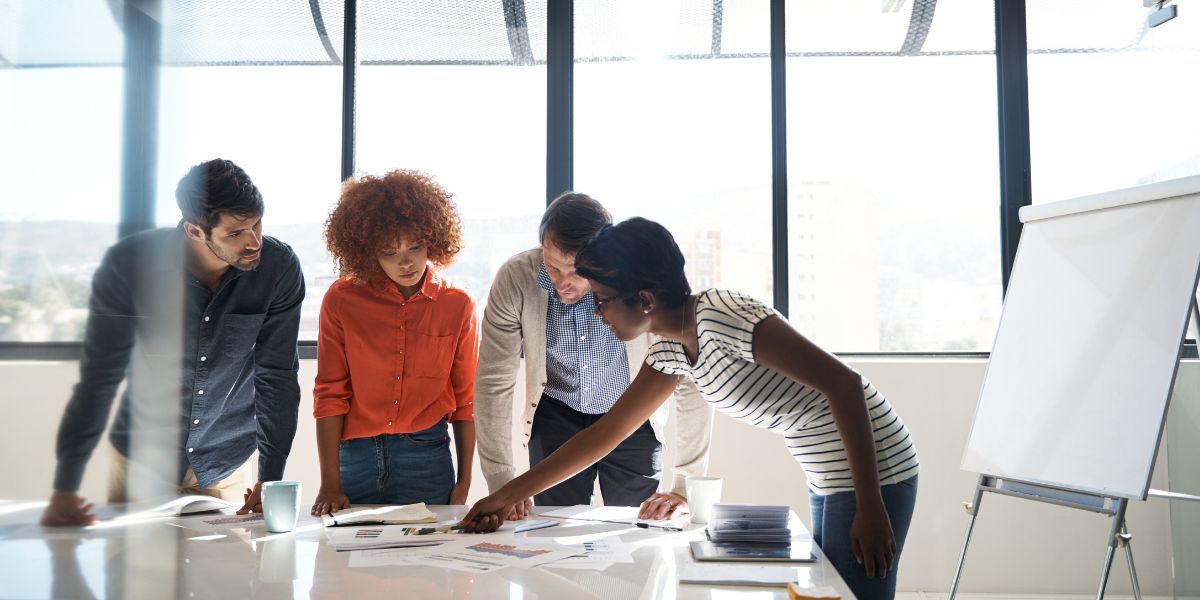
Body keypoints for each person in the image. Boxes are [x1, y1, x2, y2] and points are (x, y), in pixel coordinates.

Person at [463, 217, 920, 600]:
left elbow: (844, 384)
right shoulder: (670, 349)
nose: (597, 313)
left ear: (644, 299)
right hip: (827, 470)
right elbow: (605, 435)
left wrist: (871, 504)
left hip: (873, 467)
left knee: (854, 595)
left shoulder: (724, 316)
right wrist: (501, 496)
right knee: (827, 593)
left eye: (602, 301)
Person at [41, 159, 306, 526]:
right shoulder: (131, 264)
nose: (254, 242)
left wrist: (271, 477)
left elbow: (277, 376)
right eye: (236, 233)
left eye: (257, 223)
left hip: (226, 465)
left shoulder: (278, 268)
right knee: (134, 582)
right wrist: (65, 488)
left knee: (230, 580)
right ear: (194, 231)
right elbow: (100, 377)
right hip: (141, 463)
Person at [474, 193, 713, 520]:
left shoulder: (642, 287)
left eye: (576, 272)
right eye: (552, 266)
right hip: (556, 413)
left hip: (632, 413)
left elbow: (689, 381)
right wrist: (501, 478)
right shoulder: (516, 279)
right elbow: (493, 382)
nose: (562, 282)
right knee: (552, 533)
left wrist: (685, 484)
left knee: (636, 535)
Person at [310, 170, 477, 515]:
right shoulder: (341, 300)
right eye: (389, 251)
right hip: (355, 456)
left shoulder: (457, 305)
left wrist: (464, 480)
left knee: (429, 563)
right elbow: (330, 392)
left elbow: (466, 399)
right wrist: (329, 482)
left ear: (433, 238)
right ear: (368, 252)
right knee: (348, 564)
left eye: (415, 246)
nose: (406, 261)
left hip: (426, 457)